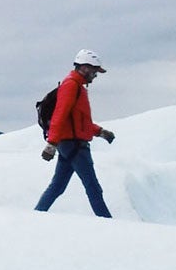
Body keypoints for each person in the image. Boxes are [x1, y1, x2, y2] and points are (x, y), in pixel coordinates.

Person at [34, 49, 116, 217]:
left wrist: (100, 132)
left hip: (70, 143)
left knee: (58, 186)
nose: (95, 75)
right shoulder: (71, 85)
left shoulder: (76, 86)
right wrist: (51, 144)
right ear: (85, 68)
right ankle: (109, 223)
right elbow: (60, 114)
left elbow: (80, 121)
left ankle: (36, 216)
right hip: (74, 145)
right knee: (93, 186)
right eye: (94, 71)